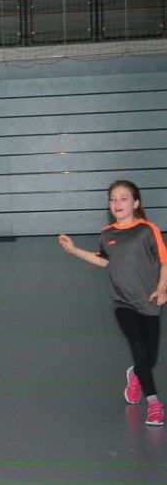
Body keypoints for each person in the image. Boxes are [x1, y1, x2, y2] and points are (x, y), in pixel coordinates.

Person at [58, 180, 167, 426]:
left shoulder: (148, 229)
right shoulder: (108, 234)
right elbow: (104, 261)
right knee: (138, 346)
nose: (117, 203)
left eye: (123, 198)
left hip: (150, 301)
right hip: (122, 302)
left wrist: (161, 288)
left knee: (149, 359)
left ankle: (136, 374)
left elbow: (164, 261)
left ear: (136, 203)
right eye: (113, 199)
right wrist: (74, 250)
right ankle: (154, 404)